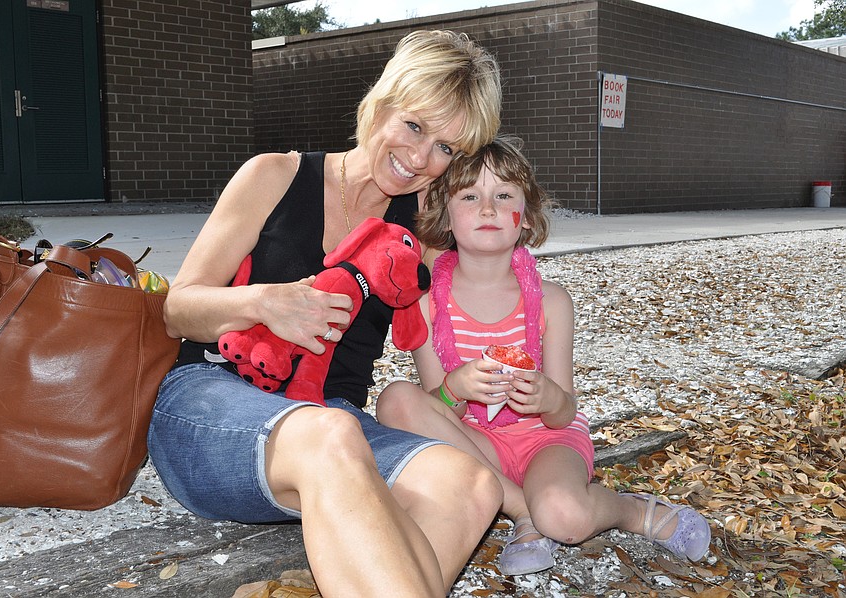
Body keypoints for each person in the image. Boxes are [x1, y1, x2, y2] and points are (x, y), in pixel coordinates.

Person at [147, 30, 504, 597]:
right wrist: (262, 302)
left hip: (332, 428)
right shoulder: (273, 175)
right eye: (415, 126)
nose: (420, 159)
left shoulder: (421, 234)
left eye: (446, 148)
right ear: (382, 102)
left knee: (471, 486)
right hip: (210, 403)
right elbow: (175, 310)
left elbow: (445, 364)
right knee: (331, 433)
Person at [377, 136, 711, 577]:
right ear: (444, 214)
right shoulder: (426, 306)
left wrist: (547, 397)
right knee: (395, 400)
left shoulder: (551, 302)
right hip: (474, 444)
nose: (488, 208)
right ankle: (521, 511)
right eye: (470, 196)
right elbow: (436, 412)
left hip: (545, 441)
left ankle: (629, 511)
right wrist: (455, 387)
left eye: (503, 195)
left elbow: (564, 411)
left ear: (527, 217)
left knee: (566, 519)